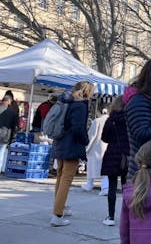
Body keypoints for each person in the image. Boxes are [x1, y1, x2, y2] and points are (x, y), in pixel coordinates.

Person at [50, 81, 94, 227]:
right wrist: (85, 140)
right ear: (87, 92)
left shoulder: (66, 101)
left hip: (60, 142)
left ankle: (59, 207)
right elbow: (77, 128)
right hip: (71, 145)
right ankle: (57, 214)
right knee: (66, 179)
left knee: (60, 177)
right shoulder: (80, 106)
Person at [100, 96, 129, 226]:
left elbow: (104, 138)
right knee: (127, 187)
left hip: (112, 153)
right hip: (127, 155)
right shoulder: (130, 119)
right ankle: (127, 217)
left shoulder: (111, 120)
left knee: (112, 186)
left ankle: (111, 217)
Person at [0, 95, 19, 181]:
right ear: (9, 102)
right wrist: (13, 138)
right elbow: (15, 127)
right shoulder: (13, 112)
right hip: (5, 135)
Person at [82, 108, 109, 195]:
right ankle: (105, 188)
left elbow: (91, 136)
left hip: (96, 147)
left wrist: (86, 148)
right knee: (105, 169)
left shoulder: (97, 121)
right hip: (107, 147)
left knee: (91, 166)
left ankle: (89, 184)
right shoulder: (112, 121)